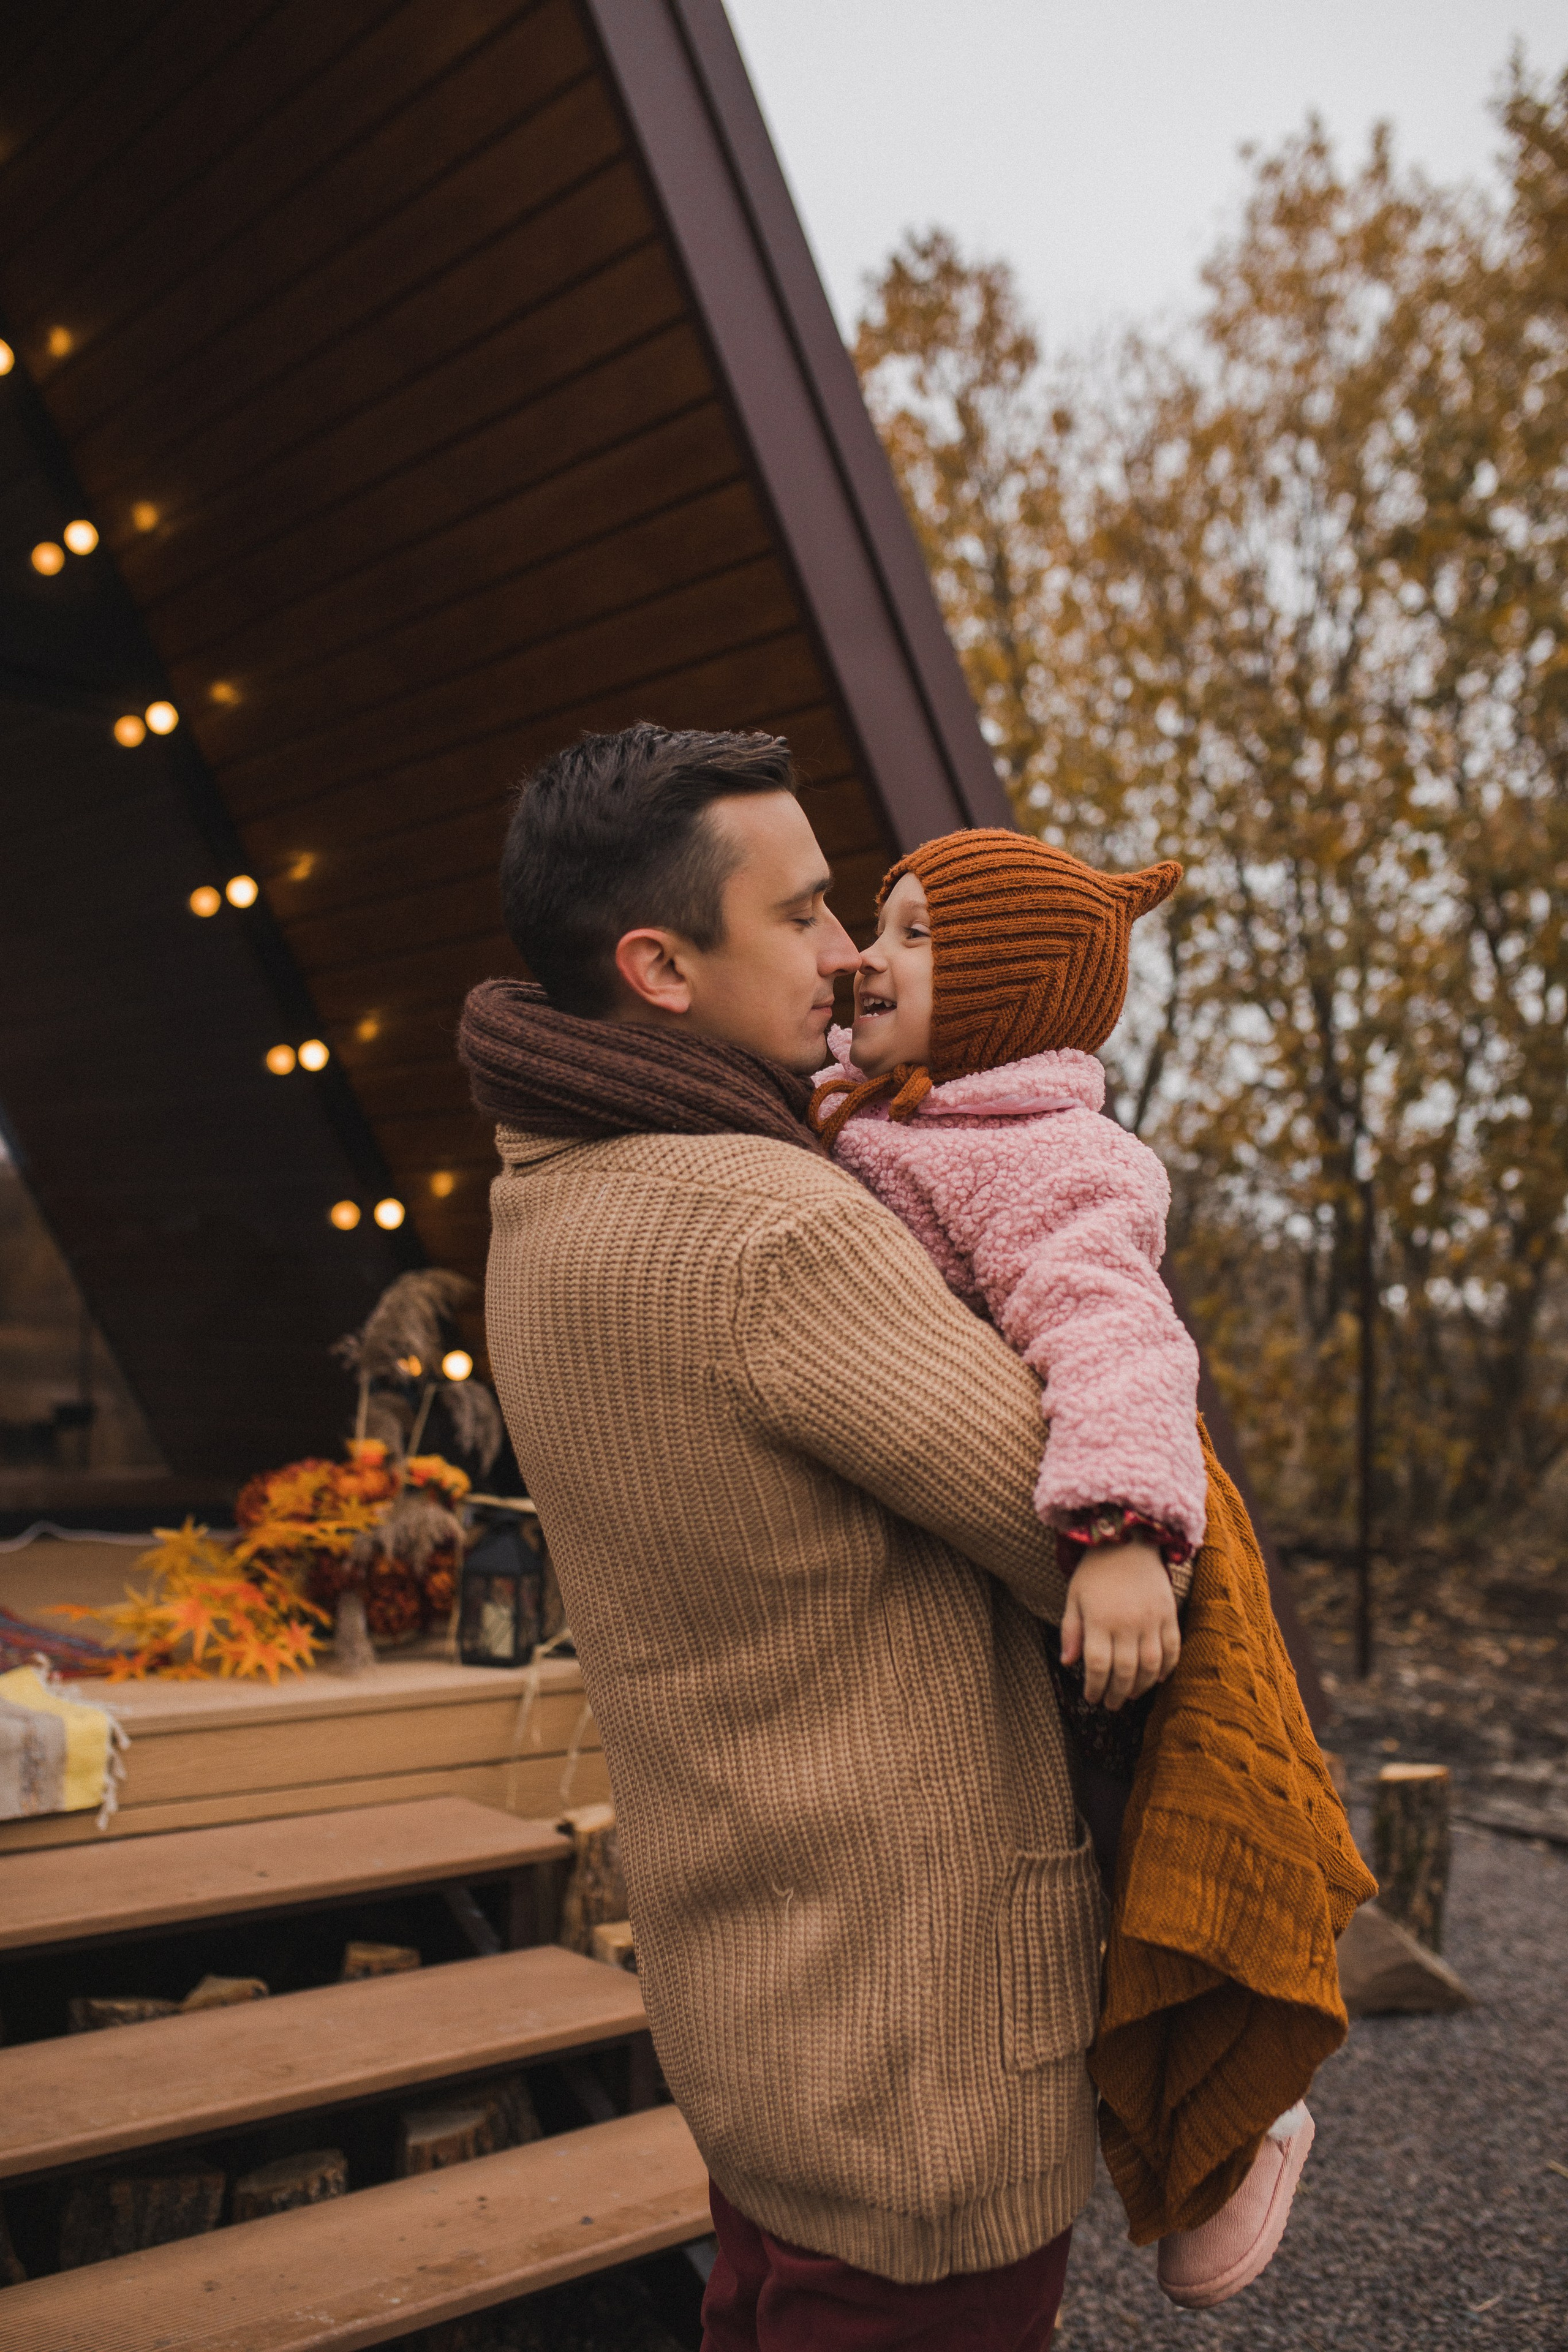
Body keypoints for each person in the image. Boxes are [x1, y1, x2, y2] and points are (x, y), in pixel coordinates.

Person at [459, 723, 1180, 2350]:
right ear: (656, 966)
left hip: (763, 2016)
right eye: (798, 916)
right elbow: (1083, 1530)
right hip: (919, 2050)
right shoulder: (773, 1225)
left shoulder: (542, 1192)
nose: (852, 954)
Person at [809, 827, 1370, 2309]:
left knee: (1152, 1840)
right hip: (986, 1557)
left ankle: (1244, 2111)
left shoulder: (1046, 1154)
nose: (868, 953)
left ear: (1001, 996)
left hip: (1104, 1536)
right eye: (877, 921)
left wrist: (1123, 1532)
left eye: (916, 936)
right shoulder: (877, 1115)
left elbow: (1115, 1331)